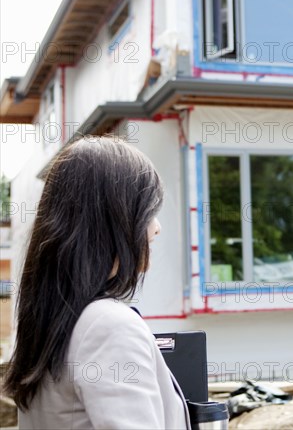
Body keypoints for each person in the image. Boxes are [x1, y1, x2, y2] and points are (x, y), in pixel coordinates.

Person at [3, 136, 191, 429]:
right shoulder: (108, 327)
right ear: (111, 222)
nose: (156, 228)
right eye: (147, 213)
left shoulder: (51, 322)